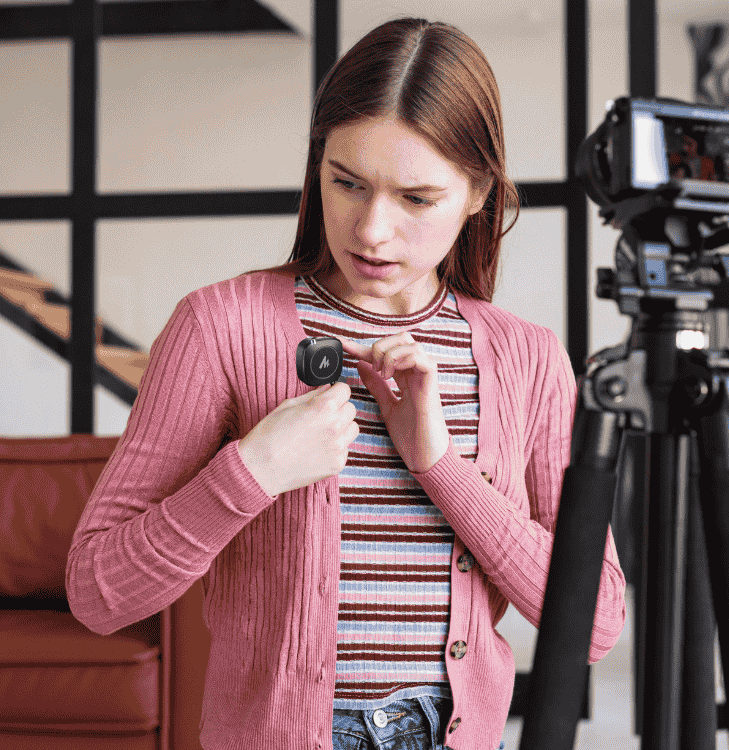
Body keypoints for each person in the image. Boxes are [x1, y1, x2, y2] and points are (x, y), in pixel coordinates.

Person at [66, 16, 626, 750]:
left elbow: (596, 624)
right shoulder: (220, 327)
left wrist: (441, 467)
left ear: (480, 192)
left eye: (416, 198)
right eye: (347, 183)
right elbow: (99, 592)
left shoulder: (526, 357)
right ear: (317, 168)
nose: (371, 230)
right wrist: (254, 469)